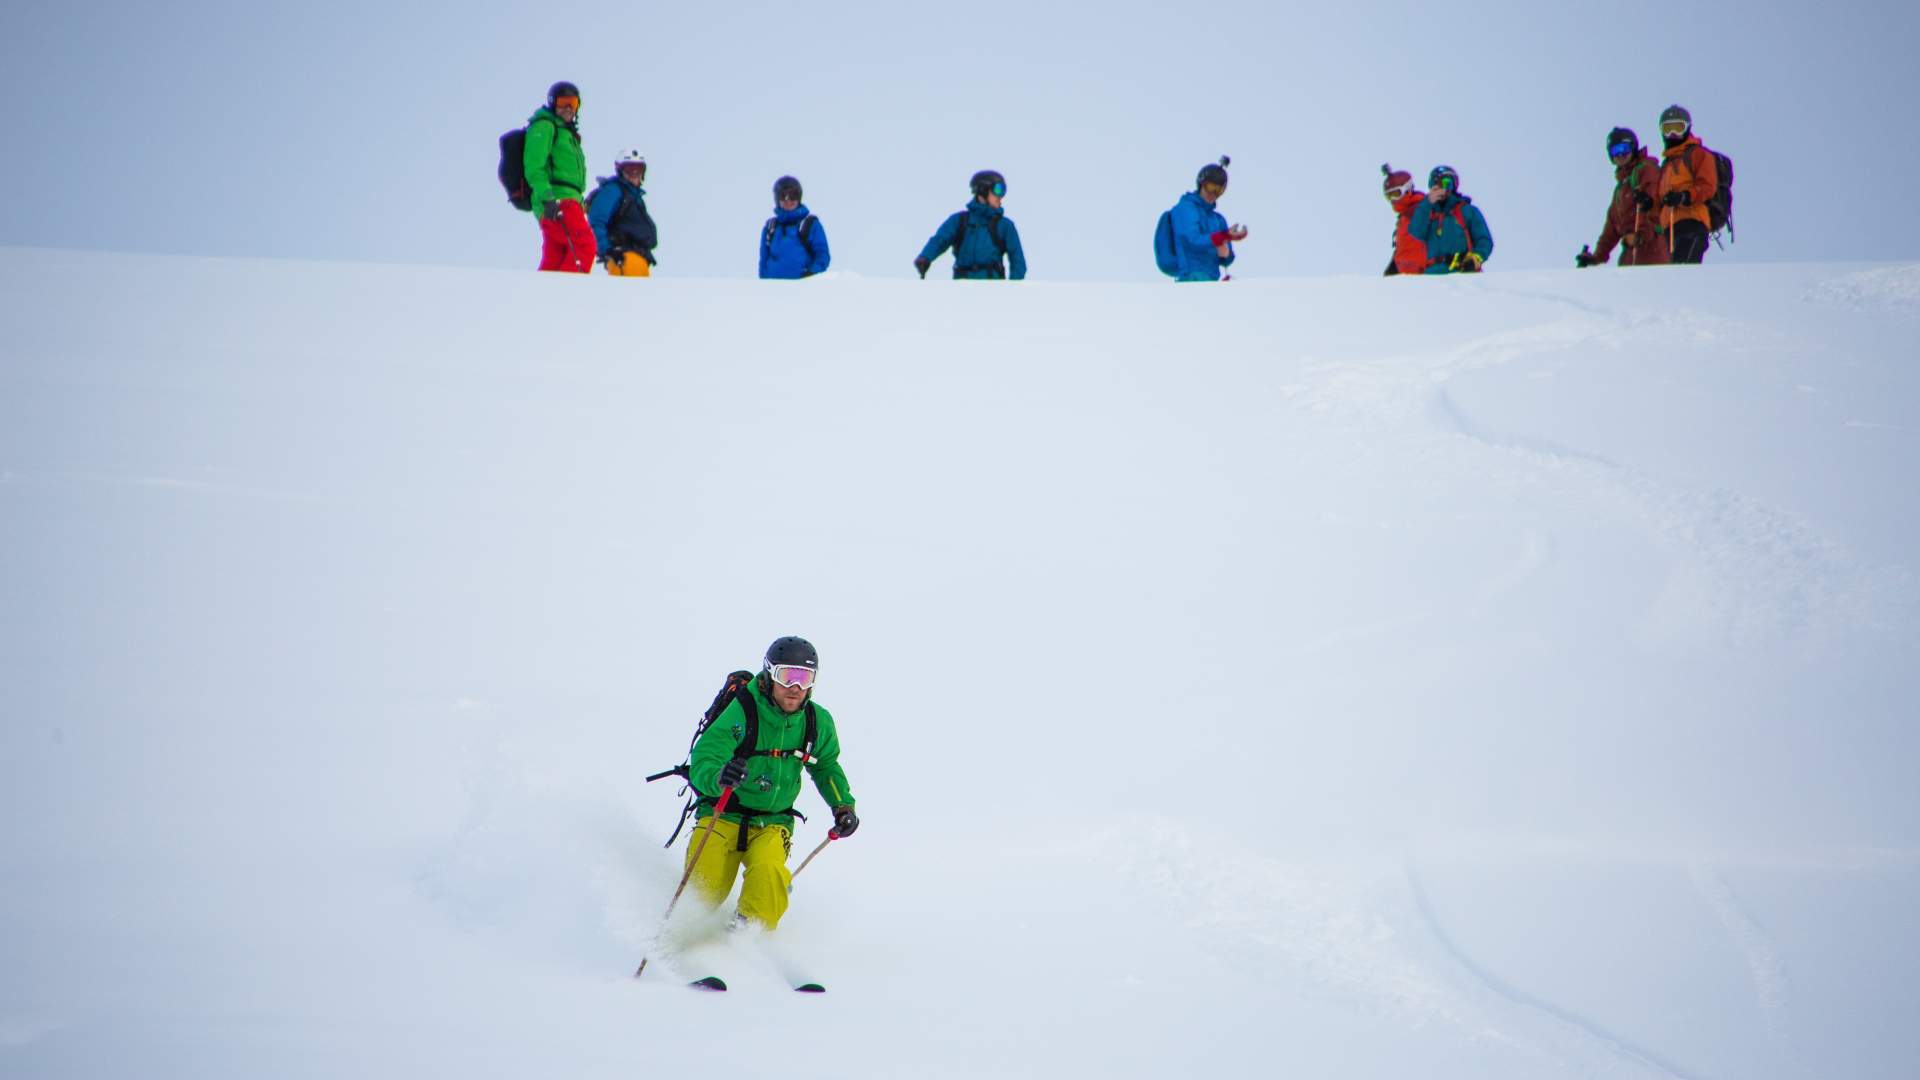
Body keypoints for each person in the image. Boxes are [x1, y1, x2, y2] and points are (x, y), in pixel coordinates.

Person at [684, 636, 858, 932]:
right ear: (769, 675)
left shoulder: (817, 721)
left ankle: (746, 936)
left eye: (805, 679)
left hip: (772, 822)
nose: (796, 688)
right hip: (722, 813)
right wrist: (719, 775)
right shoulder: (742, 710)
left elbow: (826, 765)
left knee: (769, 874)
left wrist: (842, 805)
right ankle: (685, 936)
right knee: (704, 887)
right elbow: (706, 756)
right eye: (787, 676)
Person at [524, 81, 595, 273]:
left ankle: (544, 296)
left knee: (557, 254)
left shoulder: (567, 134)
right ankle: (568, 295)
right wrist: (547, 197)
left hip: (568, 201)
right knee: (584, 245)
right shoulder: (545, 127)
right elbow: (534, 167)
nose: (568, 108)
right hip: (557, 201)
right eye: (563, 102)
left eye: (573, 103)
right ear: (553, 103)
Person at [1577, 127, 1667, 268]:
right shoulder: (1621, 188)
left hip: (1652, 251)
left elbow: (1653, 207)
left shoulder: (1646, 170)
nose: (1620, 155)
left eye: (1624, 149)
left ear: (1633, 148)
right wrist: (1596, 257)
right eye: (1615, 151)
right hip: (1630, 255)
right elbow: (1612, 227)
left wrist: (1641, 236)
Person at [914, 170, 1027, 280]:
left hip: (992, 290)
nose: (1001, 196)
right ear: (982, 191)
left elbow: (1018, 261)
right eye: (997, 190)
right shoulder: (959, 220)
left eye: (1003, 190)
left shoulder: (1005, 226)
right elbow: (940, 240)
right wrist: (925, 257)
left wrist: (1012, 291)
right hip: (962, 289)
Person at [1655, 104, 1717, 265]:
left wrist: (1684, 196)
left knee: (1683, 271)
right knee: (1672, 275)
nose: (1673, 134)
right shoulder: (1667, 164)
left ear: (1687, 128)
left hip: (1692, 222)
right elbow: (1660, 199)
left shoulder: (1698, 154)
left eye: (1678, 127)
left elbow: (1708, 186)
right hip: (1669, 228)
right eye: (1668, 129)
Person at [1169, 157, 1247, 282]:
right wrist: (1222, 237)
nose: (1213, 194)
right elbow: (1192, 239)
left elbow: (1227, 258)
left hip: (1211, 280)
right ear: (1201, 184)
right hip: (1190, 276)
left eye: (1219, 190)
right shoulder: (1186, 208)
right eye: (1210, 187)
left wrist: (1225, 253)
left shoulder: (1218, 219)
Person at [1408, 165, 1493, 274]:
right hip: (1432, 276)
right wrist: (1427, 203)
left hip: (1462, 273)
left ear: (1454, 185)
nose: (1442, 188)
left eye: (1447, 183)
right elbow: (1416, 232)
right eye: (1435, 184)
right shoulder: (1428, 212)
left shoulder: (1467, 211)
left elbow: (1484, 240)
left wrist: (1475, 259)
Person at [587, 150, 658, 276]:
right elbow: (596, 220)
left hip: (640, 257)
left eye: (639, 169)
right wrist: (607, 250)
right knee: (631, 294)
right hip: (623, 256)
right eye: (630, 169)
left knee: (643, 295)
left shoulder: (635, 197)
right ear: (620, 170)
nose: (635, 174)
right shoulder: (613, 190)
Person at [759, 176, 831, 279]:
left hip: (802, 290)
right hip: (773, 289)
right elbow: (764, 261)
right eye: (783, 196)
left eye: (793, 196)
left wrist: (811, 273)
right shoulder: (771, 227)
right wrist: (763, 285)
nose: (788, 201)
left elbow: (822, 255)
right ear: (777, 199)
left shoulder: (809, 224)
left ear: (799, 198)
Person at [1381, 164, 1427, 276]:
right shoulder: (1403, 218)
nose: (1393, 200)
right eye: (1389, 196)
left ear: (1408, 188)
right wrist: (1393, 267)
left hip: (1424, 276)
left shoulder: (1425, 210)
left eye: (1396, 194)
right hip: (1405, 277)